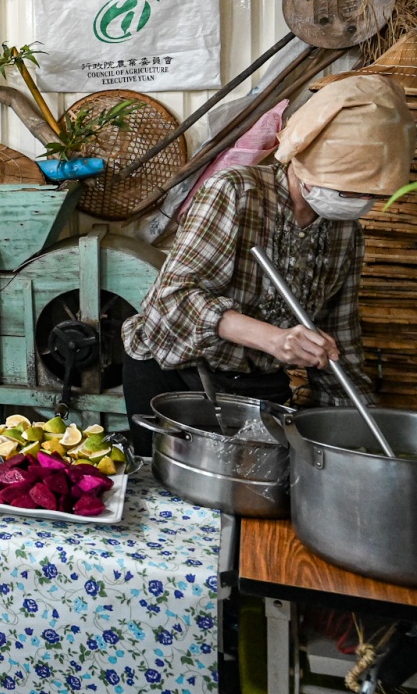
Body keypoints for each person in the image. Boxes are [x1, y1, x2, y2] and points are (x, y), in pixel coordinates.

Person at [122, 75, 416, 453]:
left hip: (259, 385)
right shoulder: (237, 191)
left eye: (370, 194)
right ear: (305, 158)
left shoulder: (345, 233)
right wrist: (277, 339)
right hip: (176, 375)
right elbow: (171, 302)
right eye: (348, 190)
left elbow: (340, 340)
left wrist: (363, 440)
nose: (359, 201)